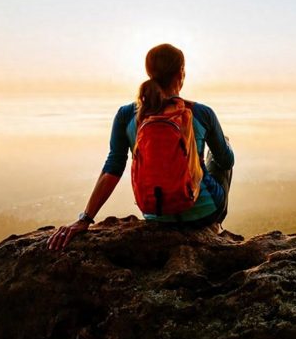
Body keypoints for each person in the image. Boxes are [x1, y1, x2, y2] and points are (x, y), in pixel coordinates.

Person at [48, 43, 234, 250]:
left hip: (156, 215)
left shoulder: (127, 115)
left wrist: (85, 218)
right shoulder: (200, 112)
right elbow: (226, 161)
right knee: (222, 146)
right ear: (181, 73)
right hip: (205, 213)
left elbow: (113, 167)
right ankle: (214, 226)